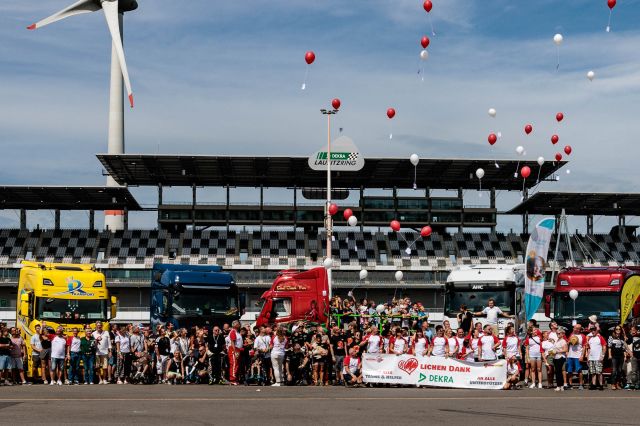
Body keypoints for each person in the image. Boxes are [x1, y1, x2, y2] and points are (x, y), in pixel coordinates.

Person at [586, 325, 606, 390]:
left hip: (598, 358)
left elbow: (604, 347)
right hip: (591, 358)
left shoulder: (600, 337)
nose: (593, 331)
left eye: (594, 330)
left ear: (597, 331)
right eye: (592, 330)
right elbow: (589, 348)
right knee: (593, 372)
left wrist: (602, 356)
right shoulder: (590, 339)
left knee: (599, 372)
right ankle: (593, 384)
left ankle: (601, 385)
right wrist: (588, 357)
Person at [566, 324, 586, 389]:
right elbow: (568, 344)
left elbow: (584, 346)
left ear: (579, 329)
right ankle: (570, 384)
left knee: (579, 370)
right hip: (570, 355)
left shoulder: (582, 336)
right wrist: (567, 352)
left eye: (576, 328)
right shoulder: (571, 335)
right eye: (574, 328)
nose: (575, 329)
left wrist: (582, 356)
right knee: (569, 371)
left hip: (578, 356)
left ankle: (581, 384)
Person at [608, 325, 627, 390]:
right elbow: (609, 347)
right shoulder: (611, 337)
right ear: (614, 330)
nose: (618, 330)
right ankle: (613, 384)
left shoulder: (622, 337)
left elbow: (624, 348)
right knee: (614, 370)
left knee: (620, 370)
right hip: (614, 356)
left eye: (619, 329)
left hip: (621, 356)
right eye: (617, 329)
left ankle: (617, 383)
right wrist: (609, 355)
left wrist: (625, 356)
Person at [226, 320, 243, 385]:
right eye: (238, 324)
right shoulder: (233, 331)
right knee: (233, 364)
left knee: (236, 365)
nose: (239, 325)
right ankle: (232, 379)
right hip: (233, 349)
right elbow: (232, 342)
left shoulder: (237, 332)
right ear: (235, 325)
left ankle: (235, 378)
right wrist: (235, 351)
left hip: (237, 349)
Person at [626, 325, 640, 390]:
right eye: (632, 330)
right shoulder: (631, 337)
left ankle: (638, 383)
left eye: (634, 330)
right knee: (634, 371)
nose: (633, 331)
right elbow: (626, 343)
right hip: (634, 356)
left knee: (638, 371)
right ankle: (633, 384)